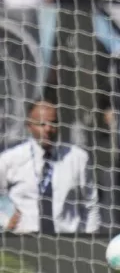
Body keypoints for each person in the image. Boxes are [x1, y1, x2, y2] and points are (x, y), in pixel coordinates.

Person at [0, 99, 99, 234]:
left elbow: (90, 203)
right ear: (29, 126)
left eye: (53, 123)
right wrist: (5, 221)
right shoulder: (10, 159)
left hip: (67, 240)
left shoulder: (78, 158)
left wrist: (91, 237)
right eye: (42, 124)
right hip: (24, 239)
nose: (48, 129)